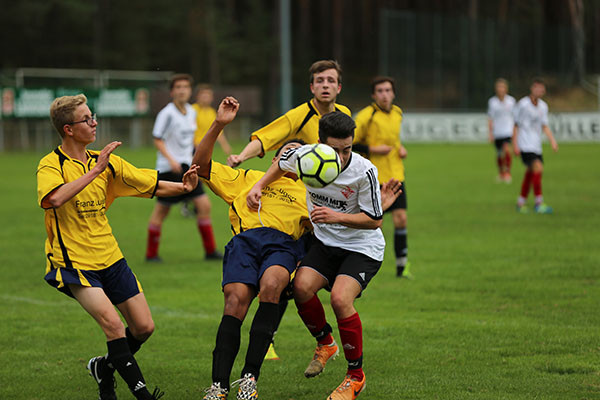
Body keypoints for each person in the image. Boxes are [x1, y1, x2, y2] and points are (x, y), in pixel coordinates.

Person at [37, 94, 199, 400]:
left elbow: (147, 182)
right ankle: (141, 395)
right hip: (74, 264)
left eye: (92, 115)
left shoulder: (106, 162)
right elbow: (53, 199)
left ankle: (104, 367)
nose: (94, 122)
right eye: (86, 119)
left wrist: (182, 187)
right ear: (69, 129)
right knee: (112, 324)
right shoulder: (51, 164)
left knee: (144, 327)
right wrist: (94, 171)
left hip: (110, 257)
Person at [247, 111, 395, 400]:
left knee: (340, 299)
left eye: (347, 149)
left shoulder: (364, 171)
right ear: (318, 144)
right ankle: (326, 344)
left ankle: (355, 377)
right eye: (335, 150)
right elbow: (281, 162)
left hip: (362, 246)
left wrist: (336, 216)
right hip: (326, 243)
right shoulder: (305, 158)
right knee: (300, 288)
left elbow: (375, 220)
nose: (341, 157)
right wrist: (258, 185)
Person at [191, 97, 312, 400]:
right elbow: (201, 165)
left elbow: (329, 229)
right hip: (245, 243)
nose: (289, 160)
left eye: (297, 157)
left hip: (282, 246)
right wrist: (219, 124)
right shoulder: (246, 178)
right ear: (273, 159)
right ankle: (218, 386)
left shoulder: (309, 194)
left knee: (271, 285)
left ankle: (249, 379)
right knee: (235, 302)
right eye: (285, 154)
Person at [145, 73, 222, 262]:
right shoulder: (167, 113)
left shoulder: (191, 112)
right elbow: (157, 139)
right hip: (169, 169)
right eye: (178, 87)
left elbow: (190, 142)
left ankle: (210, 251)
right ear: (172, 92)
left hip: (188, 168)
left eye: (185, 87)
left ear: (190, 91)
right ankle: (151, 254)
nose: (182, 90)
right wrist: (171, 160)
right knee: (161, 211)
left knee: (204, 205)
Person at [227, 60, 351, 168]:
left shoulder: (344, 113)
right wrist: (241, 157)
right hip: (306, 185)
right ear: (312, 88)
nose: (325, 85)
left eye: (331, 81)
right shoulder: (298, 115)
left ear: (338, 88)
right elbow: (265, 138)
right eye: (320, 81)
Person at [353, 76, 411, 278]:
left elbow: (394, 139)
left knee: (401, 219)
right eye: (380, 91)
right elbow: (350, 142)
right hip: (373, 177)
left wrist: (400, 148)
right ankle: (365, 265)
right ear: (373, 95)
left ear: (393, 93)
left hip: (396, 174)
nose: (384, 95)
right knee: (374, 223)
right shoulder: (365, 116)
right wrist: (373, 149)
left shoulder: (397, 113)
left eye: (387, 90)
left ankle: (402, 266)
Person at [513, 77, 559, 214]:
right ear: (532, 89)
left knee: (530, 173)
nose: (539, 90)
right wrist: (515, 144)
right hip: (524, 145)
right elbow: (515, 125)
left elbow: (544, 126)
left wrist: (553, 141)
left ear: (543, 91)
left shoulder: (543, 106)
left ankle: (521, 202)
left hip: (536, 145)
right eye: (536, 88)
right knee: (538, 168)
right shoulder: (523, 104)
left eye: (541, 88)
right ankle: (539, 203)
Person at [487, 78, 516, 183]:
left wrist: (515, 131)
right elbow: (490, 118)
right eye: (499, 87)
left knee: (507, 150)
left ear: (506, 89)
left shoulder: (511, 101)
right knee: (499, 154)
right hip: (497, 132)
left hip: (508, 131)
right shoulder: (492, 102)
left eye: (502, 87)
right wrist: (490, 133)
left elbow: (515, 117)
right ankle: (501, 173)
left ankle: (507, 173)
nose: (500, 89)